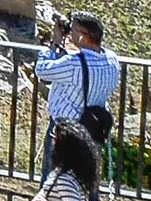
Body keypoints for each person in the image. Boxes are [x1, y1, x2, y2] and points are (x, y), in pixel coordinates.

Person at [34, 12, 120, 144]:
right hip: (92, 129)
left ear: (83, 36)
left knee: (54, 165)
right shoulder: (112, 59)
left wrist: (55, 42)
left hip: (66, 131)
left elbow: (41, 70)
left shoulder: (74, 64)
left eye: (72, 29)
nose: (70, 33)